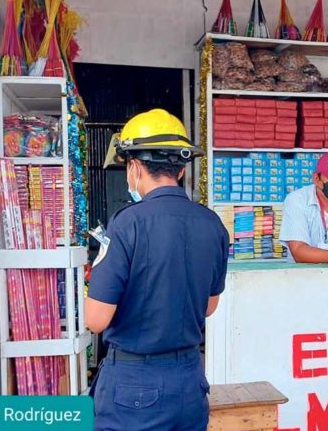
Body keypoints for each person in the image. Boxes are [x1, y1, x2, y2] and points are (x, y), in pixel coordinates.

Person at [87, 109, 229, 431]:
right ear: (179, 170)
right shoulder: (212, 224)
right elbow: (209, 306)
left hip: (134, 388)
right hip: (190, 382)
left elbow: (96, 320)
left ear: (135, 167)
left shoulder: (127, 223)